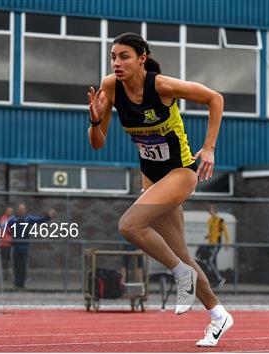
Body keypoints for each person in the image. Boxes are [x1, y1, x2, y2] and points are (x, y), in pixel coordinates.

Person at [87, 32, 231, 347]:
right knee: (180, 253)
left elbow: (215, 98)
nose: (116, 63)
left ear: (141, 58)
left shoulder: (162, 86)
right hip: (152, 179)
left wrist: (209, 148)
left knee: (129, 225)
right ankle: (219, 315)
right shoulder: (110, 86)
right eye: (113, 56)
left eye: (124, 56)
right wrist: (95, 120)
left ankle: (181, 275)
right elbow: (97, 144)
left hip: (180, 172)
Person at [7, 203, 56, 290]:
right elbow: (4, 226)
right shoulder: (13, 219)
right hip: (16, 246)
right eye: (20, 209)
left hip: (24, 246)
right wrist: (10, 236)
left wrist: (48, 216)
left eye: (23, 209)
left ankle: (21, 283)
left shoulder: (28, 218)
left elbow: (39, 220)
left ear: (25, 211)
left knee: (23, 265)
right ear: (18, 211)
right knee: (16, 265)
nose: (21, 211)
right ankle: (17, 283)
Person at [203, 204, 229, 288]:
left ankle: (220, 278)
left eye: (211, 209)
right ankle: (215, 280)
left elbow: (225, 231)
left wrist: (226, 242)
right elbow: (212, 232)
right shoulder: (210, 220)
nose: (210, 211)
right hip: (211, 243)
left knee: (209, 260)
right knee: (212, 261)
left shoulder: (220, 220)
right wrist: (208, 236)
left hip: (216, 244)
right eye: (209, 210)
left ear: (214, 210)